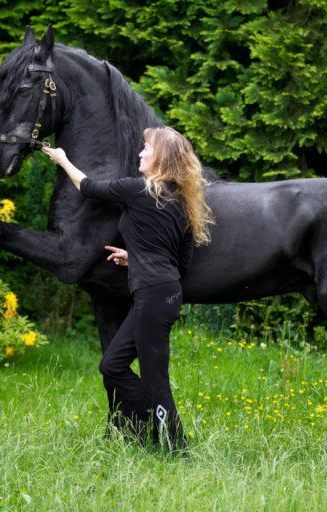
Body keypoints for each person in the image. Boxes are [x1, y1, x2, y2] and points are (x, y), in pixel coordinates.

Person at [41, 127, 214, 451]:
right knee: (113, 365)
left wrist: (62, 159)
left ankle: (174, 447)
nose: (140, 154)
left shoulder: (136, 190)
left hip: (152, 296)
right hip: (163, 293)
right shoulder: (182, 201)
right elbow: (180, 262)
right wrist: (135, 258)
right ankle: (158, 424)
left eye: (146, 148)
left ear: (160, 158)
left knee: (153, 378)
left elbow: (87, 186)